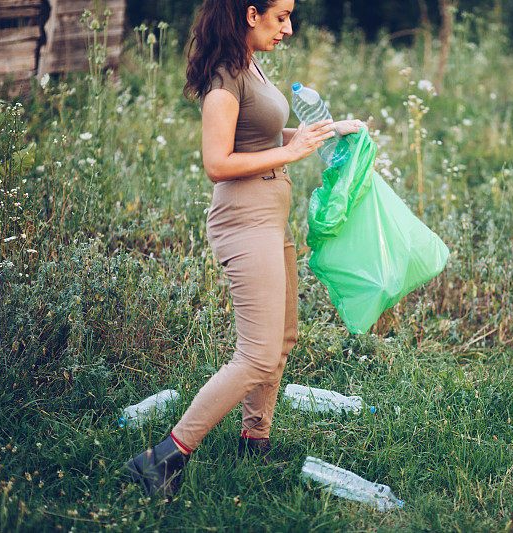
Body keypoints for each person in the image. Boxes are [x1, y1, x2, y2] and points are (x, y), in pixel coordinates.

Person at [125, 0, 364, 497]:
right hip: (244, 219)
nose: (289, 28)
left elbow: (264, 138)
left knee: (281, 341)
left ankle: (254, 444)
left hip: (271, 217)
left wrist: (326, 133)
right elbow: (217, 161)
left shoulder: (250, 65)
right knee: (256, 354)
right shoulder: (223, 77)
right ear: (251, 13)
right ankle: (163, 458)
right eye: (281, 17)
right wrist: (292, 151)